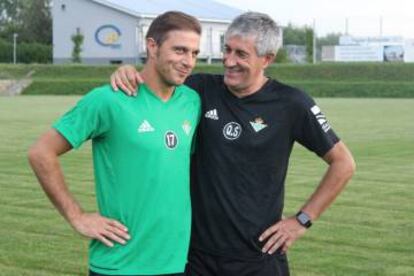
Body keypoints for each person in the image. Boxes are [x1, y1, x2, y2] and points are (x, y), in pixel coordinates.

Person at [111, 12, 355, 276]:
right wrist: (128, 71)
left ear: (267, 59)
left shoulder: (292, 103)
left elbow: (343, 163)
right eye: (226, 50)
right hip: (193, 257)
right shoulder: (197, 89)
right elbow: (156, 80)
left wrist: (302, 220)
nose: (229, 61)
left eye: (241, 54)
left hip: (258, 257)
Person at [28, 11, 202, 276]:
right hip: (119, 264)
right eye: (179, 50)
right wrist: (77, 216)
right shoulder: (108, 100)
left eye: (194, 53)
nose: (188, 61)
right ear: (152, 46)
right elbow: (41, 153)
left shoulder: (192, 102)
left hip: (176, 262)